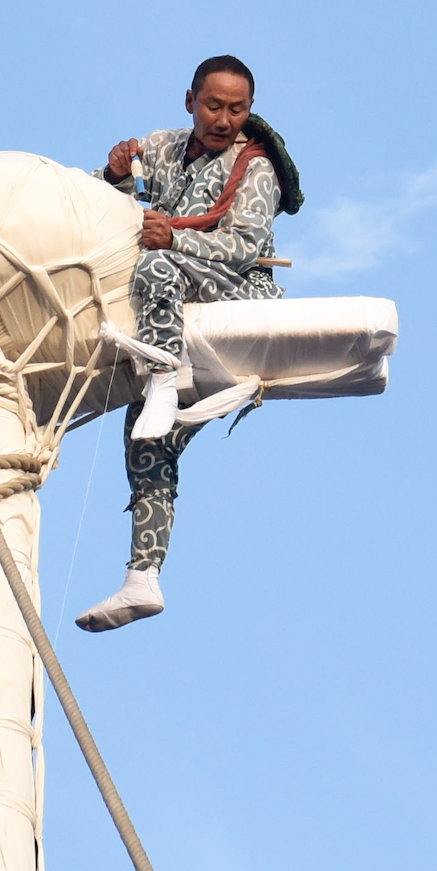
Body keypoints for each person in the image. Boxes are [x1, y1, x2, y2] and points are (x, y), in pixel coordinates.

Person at [75, 53, 302, 632]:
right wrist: (119, 176)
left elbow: (244, 248)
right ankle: (142, 578)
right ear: (190, 101)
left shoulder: (256, 168)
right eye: (213, 105)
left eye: (237, 108)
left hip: (235, 291)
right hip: (168, 313)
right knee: (147, 439)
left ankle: (161, 381)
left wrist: (169, 237)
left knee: (154, 270)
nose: (224, 119)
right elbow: (108, 212)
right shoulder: (165, 146)